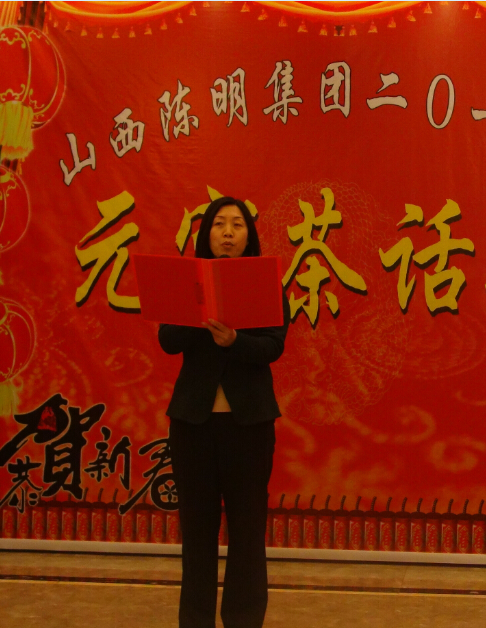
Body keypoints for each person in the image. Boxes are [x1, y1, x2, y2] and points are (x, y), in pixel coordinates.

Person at [158, 196, 288, 628]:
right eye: (219, 224)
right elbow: (167, 340)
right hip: (192, 424)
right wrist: (200, 316)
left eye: (237, 224)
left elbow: (273, 346)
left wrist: (235, 341)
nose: (228, 233)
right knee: (197, 532)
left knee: (248, 531)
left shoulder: (265, 281)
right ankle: (195, 621)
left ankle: (243, 619)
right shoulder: (186, 281)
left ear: (249, 235)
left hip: (248, 424)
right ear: (206, 234)